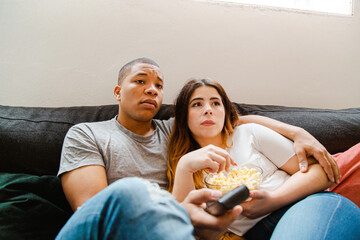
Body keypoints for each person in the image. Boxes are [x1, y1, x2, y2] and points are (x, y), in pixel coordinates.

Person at [56, 58, 342, 239]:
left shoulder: (170, 130)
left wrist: (297, 131)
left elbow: (226, 122)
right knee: (131, 191)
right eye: (141, 81)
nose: (152, 89)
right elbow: (94, 210)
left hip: (292, 210)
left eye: (158, 85)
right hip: (132, 225)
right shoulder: (87, 133)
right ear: (118, 92)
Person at [167, 78, 360, 240]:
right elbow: (187, 231)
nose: (208, 109)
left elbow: (322, 172)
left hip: (304, 206)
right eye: (197, 104)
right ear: (184, 117)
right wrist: (184, 167)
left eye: (216, 103)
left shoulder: (248, 133)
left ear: (225, 111)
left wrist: (273, 200)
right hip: (256, 234)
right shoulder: (187, 165)